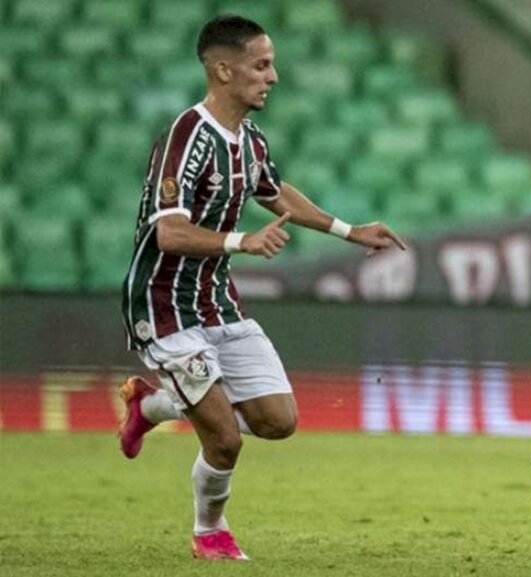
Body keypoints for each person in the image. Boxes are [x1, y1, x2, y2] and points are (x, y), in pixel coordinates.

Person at [117, 15, 406, 560]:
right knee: (223, 438)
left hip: (216, 303)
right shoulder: (187, 137)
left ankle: (151, 407)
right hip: (162, 307)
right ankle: (210, 534)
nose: (272, 77)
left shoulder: (248, 141)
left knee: (279, 421)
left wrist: (349, 230)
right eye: (261, 65)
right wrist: (241, 242)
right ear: (224, 69)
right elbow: (169, 232)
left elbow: (277, 194)